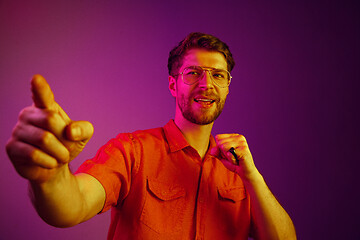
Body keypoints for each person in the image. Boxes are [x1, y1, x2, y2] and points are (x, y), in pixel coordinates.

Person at [6, 32, 296, 239]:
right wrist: (50, 177)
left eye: (218, 75)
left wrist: (253, 177)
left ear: (228, 87)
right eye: (193, 73)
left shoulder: (240, 171)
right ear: (173, 84)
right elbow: (71, 206)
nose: (207, 84)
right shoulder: (132, 151)